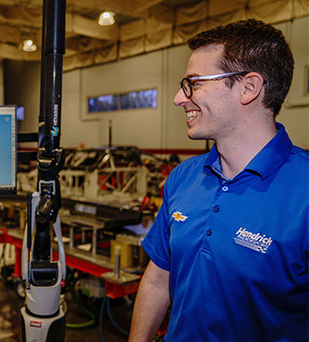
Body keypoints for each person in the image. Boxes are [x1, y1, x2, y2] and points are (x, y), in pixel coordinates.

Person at [129, 19, 308, 342]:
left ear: (249, 88)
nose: (178, 98)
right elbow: (158, 279)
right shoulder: (183, 176)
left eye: (194, 83)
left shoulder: (304, 191)